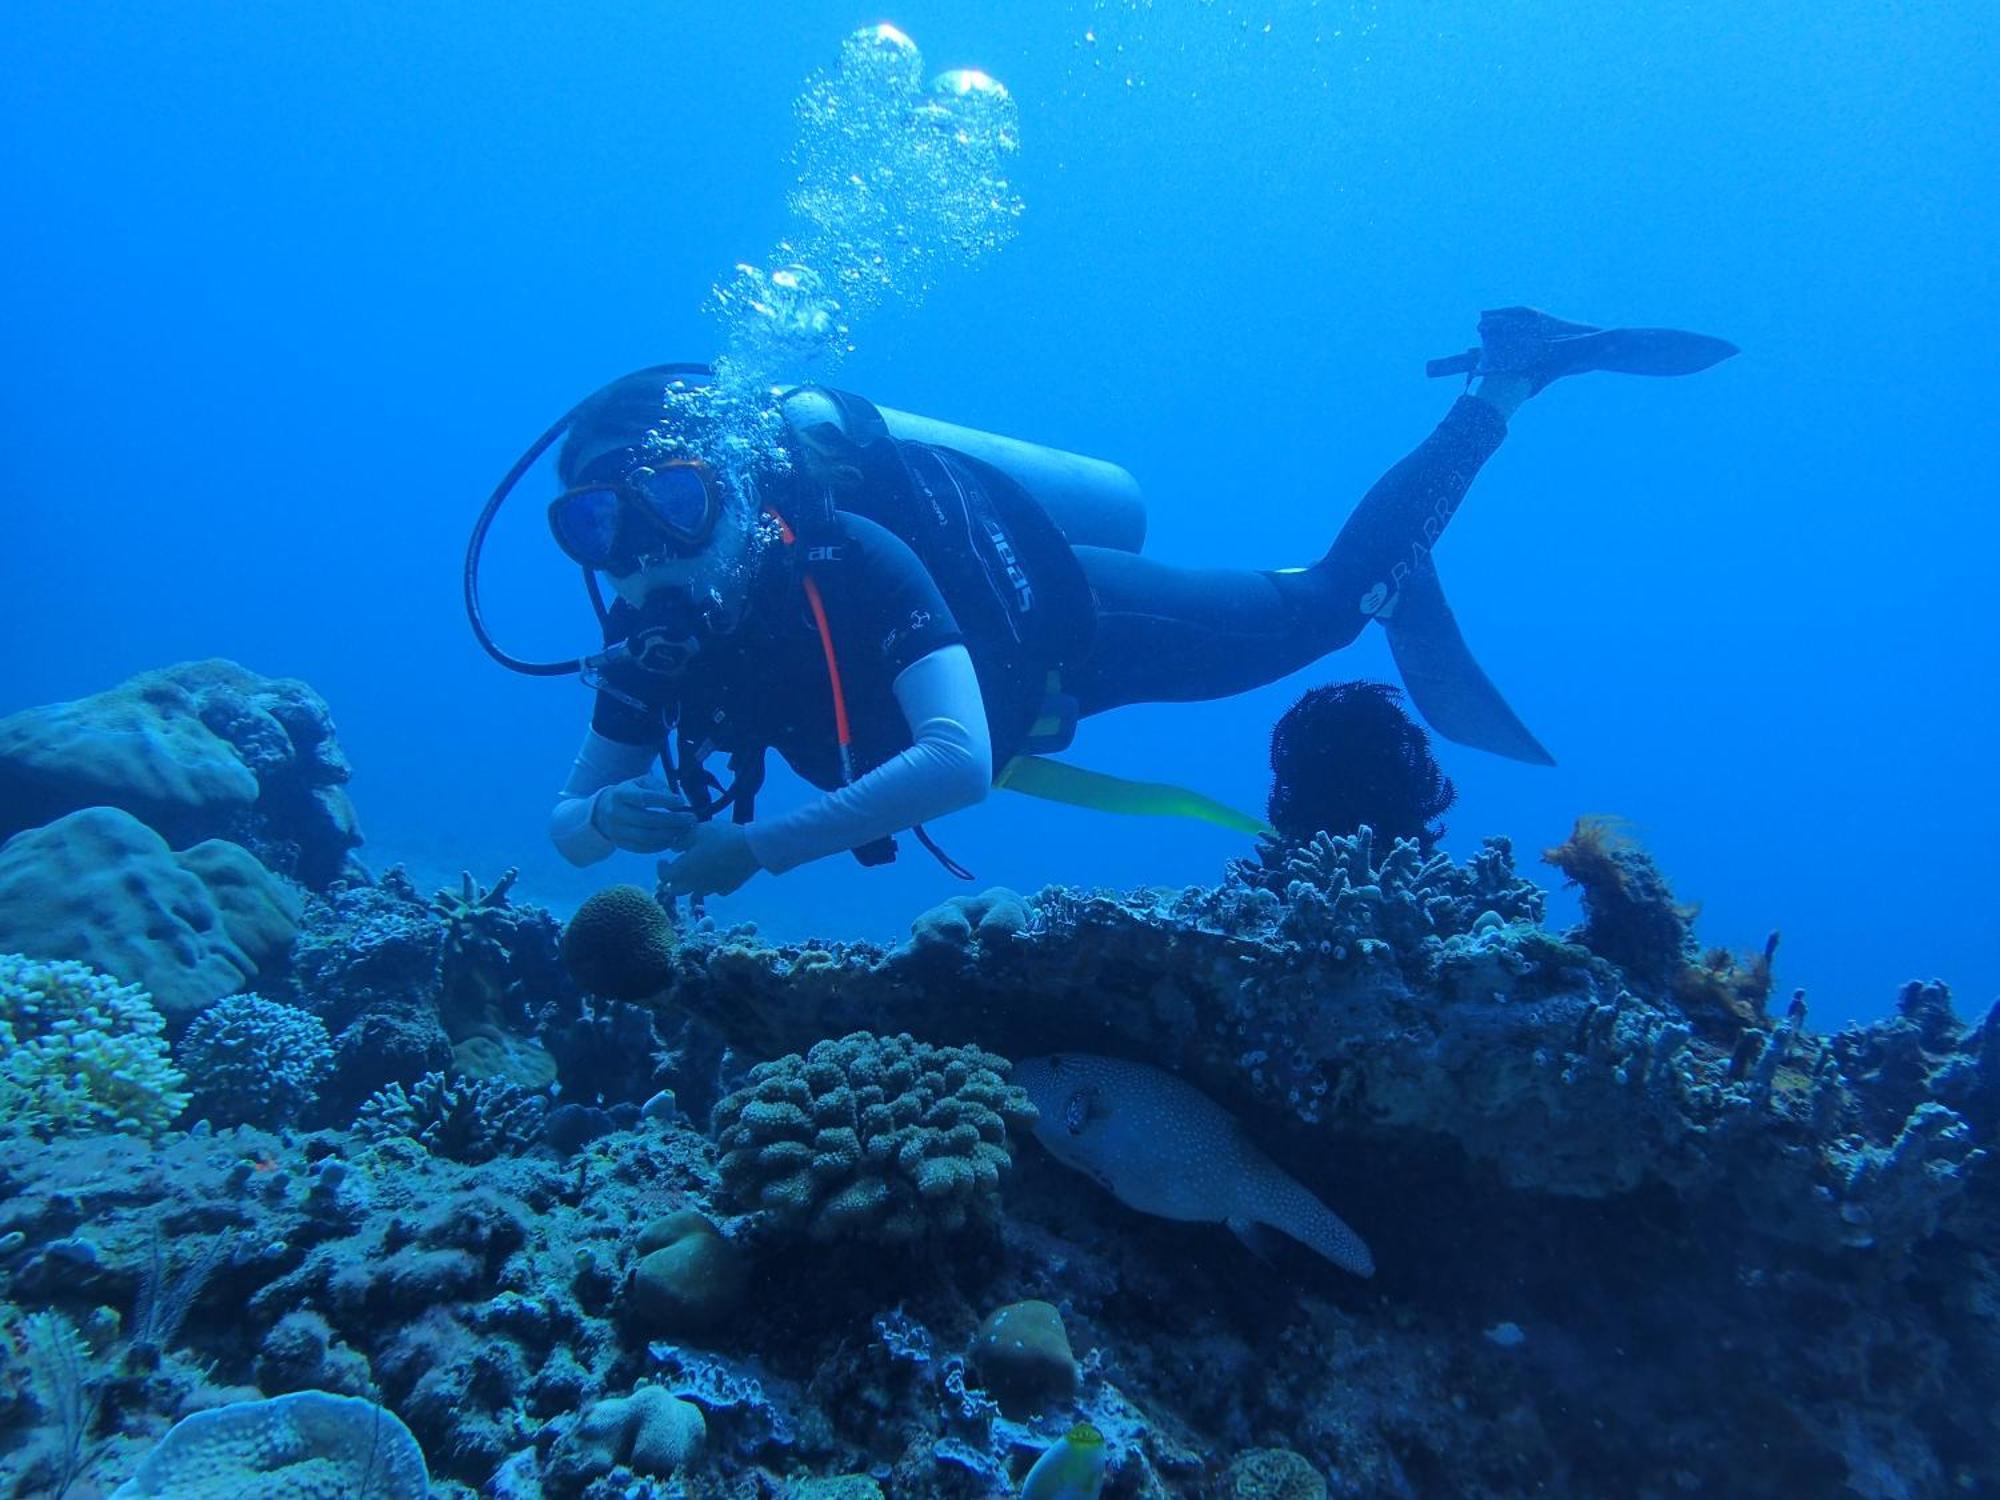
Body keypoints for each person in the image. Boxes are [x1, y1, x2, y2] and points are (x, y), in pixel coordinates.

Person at [522, 307, 1736, 899]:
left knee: (1324, 603)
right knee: (1318, 602)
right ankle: (1444, 481)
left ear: (735, 491)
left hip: (1077, 630)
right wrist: (609, 814)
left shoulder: (854, 559)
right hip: (1021, 687)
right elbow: (568, 820)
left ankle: (1503, 383)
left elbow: (952, 762)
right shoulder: (650, 640)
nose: (641, 552)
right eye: (595, 526)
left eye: (674, 501)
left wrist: (749, 848)